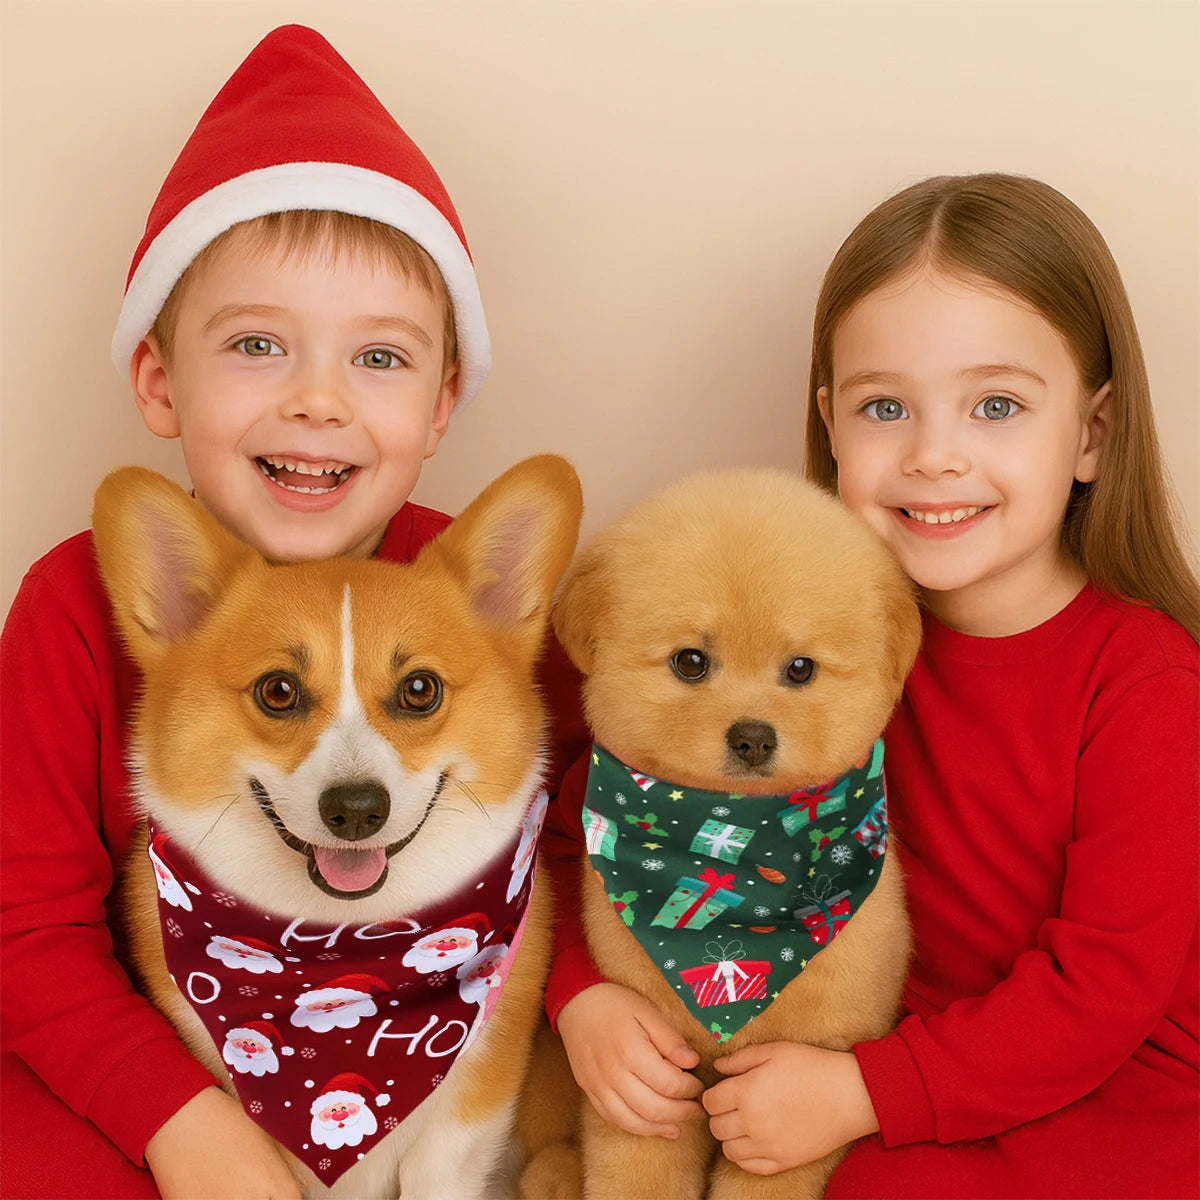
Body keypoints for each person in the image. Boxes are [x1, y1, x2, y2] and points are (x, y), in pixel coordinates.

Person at [0, 25, 584, 1200]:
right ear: (160, 380)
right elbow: (24, 929)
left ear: (441, 405)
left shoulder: (466, 600)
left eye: (378, 358)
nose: (318, 401)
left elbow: (567, 856)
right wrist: (182, 1128)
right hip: (161, 1057)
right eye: (259, 345)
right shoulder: (73, 605)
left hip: (450, 1072)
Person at [547, 173, 1199, 1198]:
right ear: (832, 424)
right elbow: (586, 826)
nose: (935, 457)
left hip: (1102, 1084)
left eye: (996, 406)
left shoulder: (1145, 681)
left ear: (1092, 433)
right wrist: (584, 996)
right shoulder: (811, 634)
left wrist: (866, 1091)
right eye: (886, 407)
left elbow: (1105, 989)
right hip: (870, 1054)